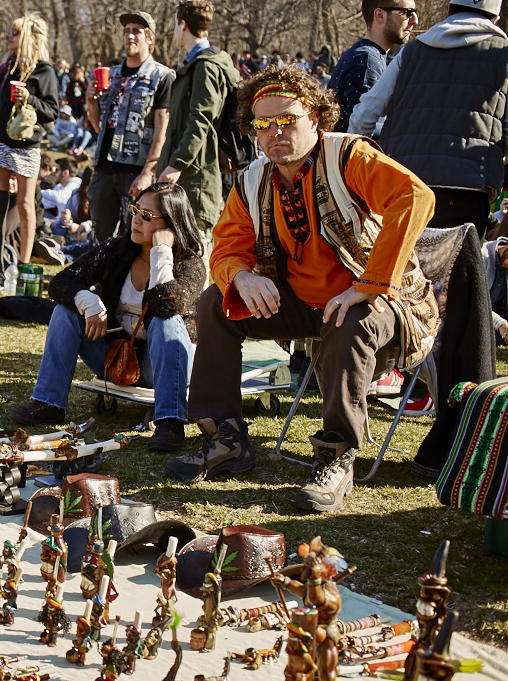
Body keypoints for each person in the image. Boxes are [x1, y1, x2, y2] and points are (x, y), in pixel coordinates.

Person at [165, 67, 437, 513]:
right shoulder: (253, 179)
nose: (275, 132)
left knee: (351, 317)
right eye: (262, 124)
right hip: (302, 304)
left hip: (380, 302)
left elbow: (415, 197)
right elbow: (226, 248)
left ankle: (337, 457)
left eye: (287, 119)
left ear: (316, 117)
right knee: (216, 301)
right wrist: (242, 276)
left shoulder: (349, 156)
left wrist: (369, 285)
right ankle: (225, 438)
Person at [8, 182, 204, 451]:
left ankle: (170, 421)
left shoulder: (190, 263)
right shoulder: (116, 251)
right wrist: (89, 301)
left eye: (147, 216)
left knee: (165, 321)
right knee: (65, 312)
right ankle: (48, 403)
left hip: (165, 366)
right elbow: (61, 282)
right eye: (136, 210)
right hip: (117, 358)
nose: (136, 219)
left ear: (171, 224)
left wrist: (161, 253)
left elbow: (168, 305)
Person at [350, 0, 508, 237]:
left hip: (403, 185)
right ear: (495, 18)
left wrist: (359, 174)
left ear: (448, 11)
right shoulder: (502, 54)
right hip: (470, 187)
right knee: (460, 271)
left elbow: (365, 114)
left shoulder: (412, 51)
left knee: (404, 271)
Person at [0, 13, 61, 302]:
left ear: (28, 37)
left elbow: (52, 110)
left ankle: (24, 268)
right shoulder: (3, 69)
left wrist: (29, 97)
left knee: (27, 206)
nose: (9, 36)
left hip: (27, 146)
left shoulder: (44, 71)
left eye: (15, 33)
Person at [156, 1, 240, 259]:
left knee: (194, 257)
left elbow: (201, 121)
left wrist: (176, 165)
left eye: (174, 24)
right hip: (187, 176)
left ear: (183, 25)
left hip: (196, 178)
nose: (174, 31)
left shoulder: (206, 66)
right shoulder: (196, 64)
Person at [87, 11, 174, 243]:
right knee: (100, 235)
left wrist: (148, 173)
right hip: (105, 167)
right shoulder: (110, 75)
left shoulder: (162, 76)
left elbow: (161, 129)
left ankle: (130, 280)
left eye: (137, 31)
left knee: (134, 237)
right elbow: (100, 127)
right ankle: (102, 279)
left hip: (135, 170)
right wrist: (91, 102)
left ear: (150, 38)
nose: (130, 35)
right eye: (127, 31)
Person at [328, 0, 416, 134]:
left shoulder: (362, 53)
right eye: (407, 13)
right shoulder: (367, 60)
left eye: (415, 12)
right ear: (380, 15)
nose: (414, 20)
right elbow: (358, 131)